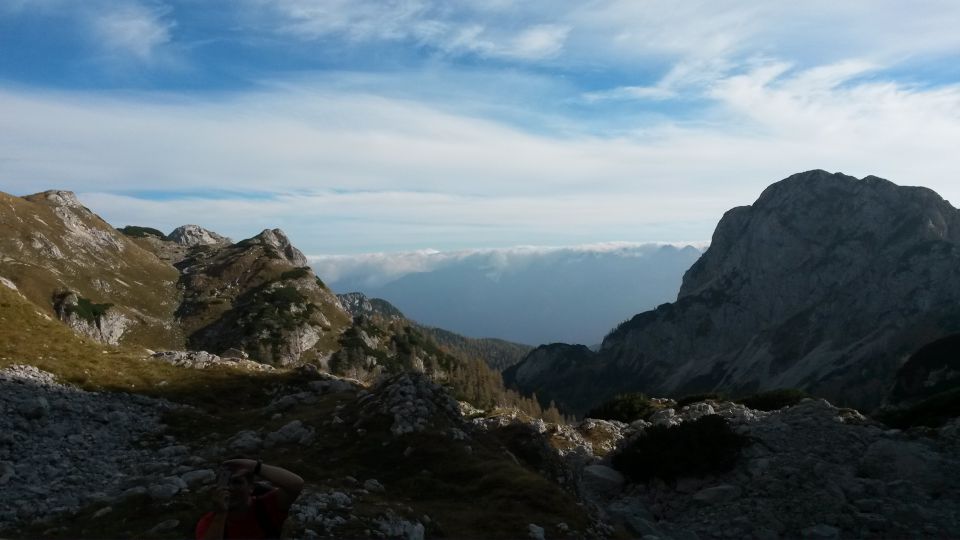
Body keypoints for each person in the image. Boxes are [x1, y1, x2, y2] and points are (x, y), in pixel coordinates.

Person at [196, 458, 304, 540]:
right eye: (225, 483)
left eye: (237, 482)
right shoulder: (210, 522)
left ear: (251, 487)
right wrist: (220, 514)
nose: (230, 489)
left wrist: (255, 466)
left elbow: (296, 484)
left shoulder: (267, 506)